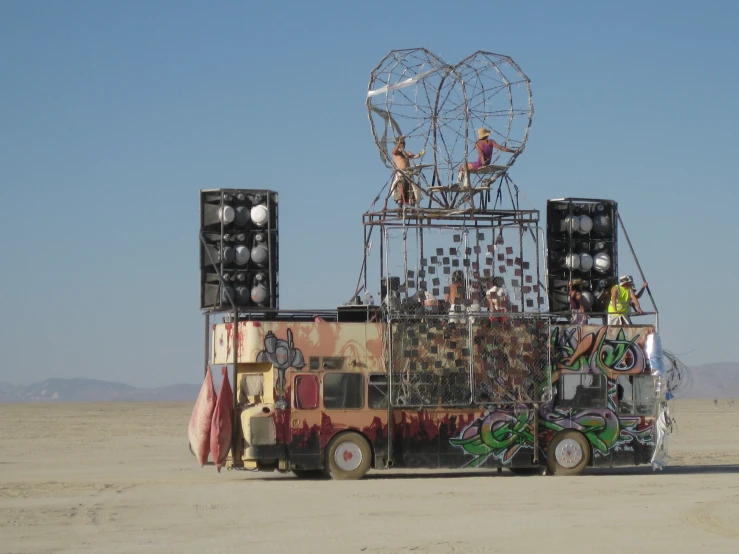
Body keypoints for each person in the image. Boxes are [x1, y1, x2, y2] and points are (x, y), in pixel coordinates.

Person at [391, 136, 425, 205]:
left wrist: (421, 153)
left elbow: (415, 156)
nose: (403, 145)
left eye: (404, 143)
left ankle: (413, 211)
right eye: (402, 143)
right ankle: (399, 211)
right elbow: (395, 150)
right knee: (400, 194)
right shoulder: (396, 153)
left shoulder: (406, 153)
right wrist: (399, 141)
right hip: (400, 175)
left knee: (412, 193)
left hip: (408, 175)